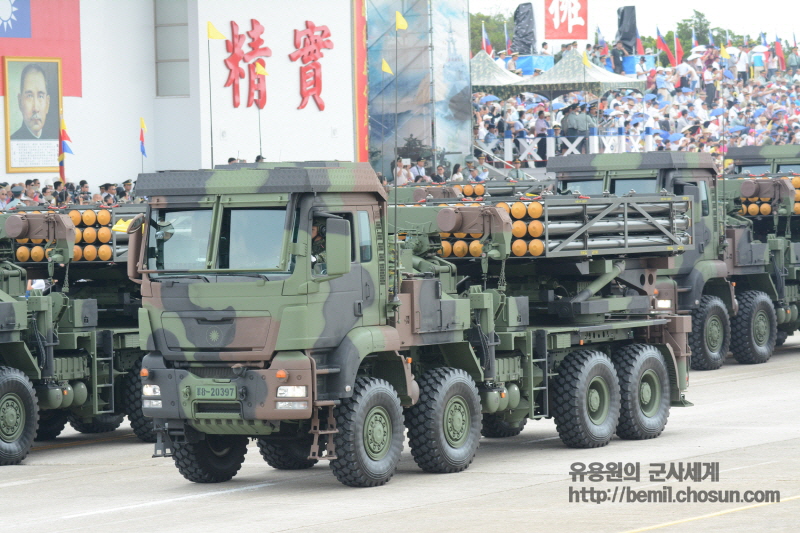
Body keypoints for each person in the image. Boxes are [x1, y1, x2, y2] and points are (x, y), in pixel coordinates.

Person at [11, 64, 57, 140]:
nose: (35, 108)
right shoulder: (12, 141)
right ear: (20, 102)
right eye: (29, 96)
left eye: (41, 96)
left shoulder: (54, 141)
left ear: (47, 103)